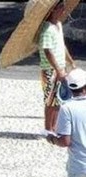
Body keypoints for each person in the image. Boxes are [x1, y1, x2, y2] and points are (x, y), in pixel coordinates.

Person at [38, 0, 75, 132]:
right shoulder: (47, 29)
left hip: (60, 68)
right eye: (61, 7)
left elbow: (61, 45)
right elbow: (47, 51)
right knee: (50, 101)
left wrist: (70, 61)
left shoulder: (58, 25)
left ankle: (54, 127)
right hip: (50, 70)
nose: (64, 10)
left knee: (58, 100)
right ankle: (48, 129)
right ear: (53, 10)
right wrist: (58, 69)